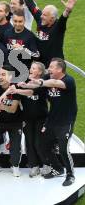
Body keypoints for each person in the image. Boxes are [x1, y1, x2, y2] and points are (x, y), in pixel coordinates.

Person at [20, 58, 77, 186]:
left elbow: (53, 82)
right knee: (42, 145)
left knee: (63, 149)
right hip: (51, 120)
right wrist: (26, 85)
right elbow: (39, 86)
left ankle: (70, 174)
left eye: (51, 67)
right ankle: (57, 168)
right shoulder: (48, 78)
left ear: (59, 69)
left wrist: (41, 81)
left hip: (65, 121)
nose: (49, 69)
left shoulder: (68, 80)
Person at [16, 0, 77, 66]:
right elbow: (31, 4)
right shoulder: (41, 20)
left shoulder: (58, 27)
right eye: (42, 14)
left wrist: (68, 10)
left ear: (52, 18)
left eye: (45, 15)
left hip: (54, 66)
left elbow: (63, 18)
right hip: (39, 64)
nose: (41, 16)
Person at [10, 62, 48, 177]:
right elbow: (18, 97)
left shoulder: (42, 84)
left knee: (38, 142)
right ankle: (34, 166)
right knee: (29, 142)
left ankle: (46, 164)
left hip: (41, 118)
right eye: (31, 67)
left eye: (34, 68)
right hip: (27, 119)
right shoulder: (24, 82)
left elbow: (31, 92)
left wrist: (17, 90)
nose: (31, 70)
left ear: (40, 72)